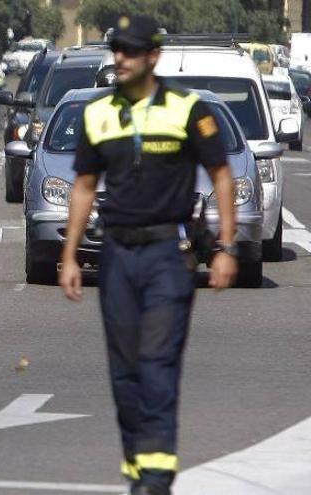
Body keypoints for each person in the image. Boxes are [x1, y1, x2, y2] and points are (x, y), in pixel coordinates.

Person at [59, 15, 238, 495]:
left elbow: (222, 174)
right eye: (117, 49)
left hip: (167, 254)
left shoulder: (188, 109)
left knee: (157, 364)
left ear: (153, 56)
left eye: (130, 51)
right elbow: (83, 186)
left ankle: (156, 479)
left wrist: (224, 247)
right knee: (125, 371)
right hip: (117, 254)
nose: (119, 58)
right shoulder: (97, 113)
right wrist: (71, 256)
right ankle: (138, 466)